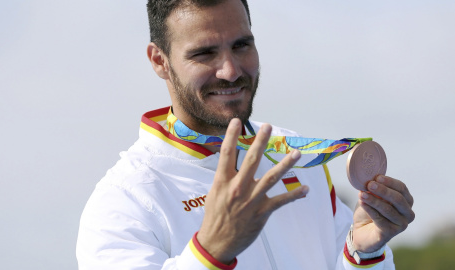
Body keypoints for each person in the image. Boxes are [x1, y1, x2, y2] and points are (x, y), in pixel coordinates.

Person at [76, 0, 415, 269]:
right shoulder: (124, 200)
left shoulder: (296, 155)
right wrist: (210, 252)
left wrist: (362, 255)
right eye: (204, 53)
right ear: (159, 60)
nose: (231, 70)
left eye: (241, 45)